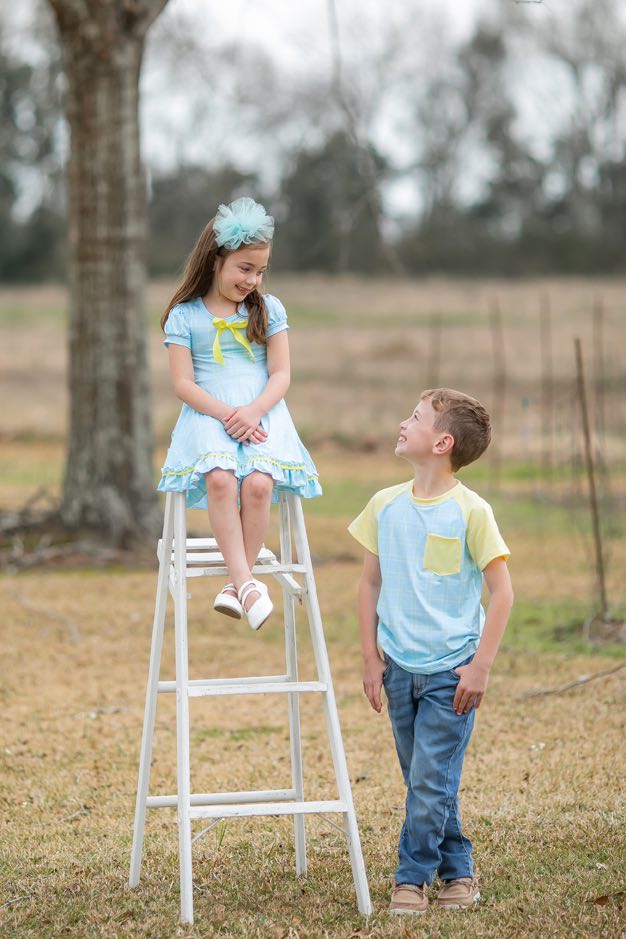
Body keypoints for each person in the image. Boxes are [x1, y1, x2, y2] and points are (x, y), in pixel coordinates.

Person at [348, 388, 513, 915]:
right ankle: (460, 874)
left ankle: (410, 881)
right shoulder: (384, 505)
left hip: (451, 675)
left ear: (442, 442)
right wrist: (371, 658)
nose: (402, 422)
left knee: (427, 781)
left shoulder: (471, 512)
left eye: (414, 417)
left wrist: (480, 668)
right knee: (429, 781)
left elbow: (503, 592)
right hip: (398, 669)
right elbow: (369, 584)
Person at [158, 197, 321, 630]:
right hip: (210, 414)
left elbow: (282, 373)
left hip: (263, 411)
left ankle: (237, 586)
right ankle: (248, 583)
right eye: (244, 268)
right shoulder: (184, 316)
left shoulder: (267, 311)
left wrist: (254, 411)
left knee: (259, 486)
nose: (253, 279)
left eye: (260, 271)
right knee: (219, 477)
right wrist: (229, 414)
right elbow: (183, 384)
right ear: (215, 260)